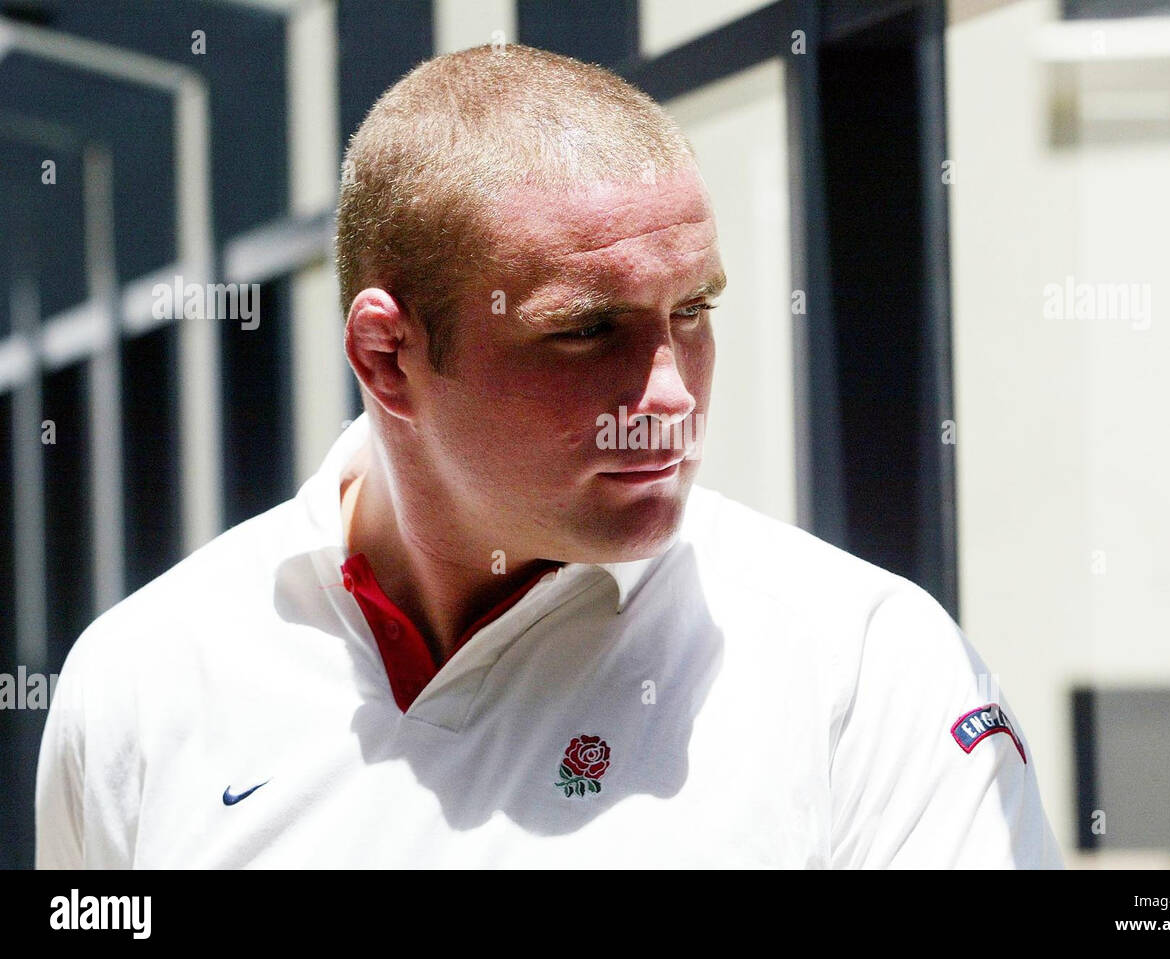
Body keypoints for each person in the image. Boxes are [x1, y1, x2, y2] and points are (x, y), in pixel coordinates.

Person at [35, 43, 1062, 868]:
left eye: (693, 310)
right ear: (388, 357)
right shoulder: (142, 677)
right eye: (585, 329)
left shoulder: (868, 665)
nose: (668, 393)